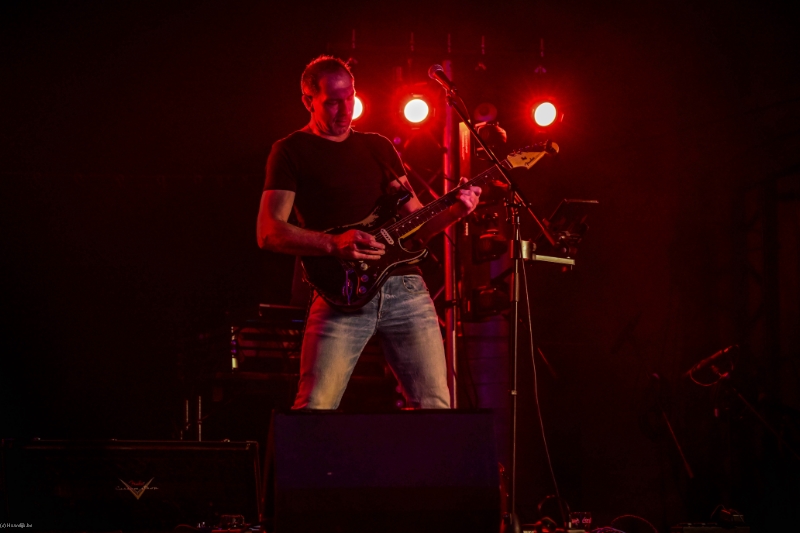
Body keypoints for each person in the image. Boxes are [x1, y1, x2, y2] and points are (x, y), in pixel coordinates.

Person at [257, 55, 481, 410]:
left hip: (406, 289)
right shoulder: (290, 151)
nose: (345, 109)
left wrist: (456, 211)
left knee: (435, 409)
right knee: (314, 408)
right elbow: (268, 232)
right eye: (333, 101)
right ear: (308, 100)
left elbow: (418, 224)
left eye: (350, 97)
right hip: (340, 293)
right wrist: (332, 243)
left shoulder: (377, 147)